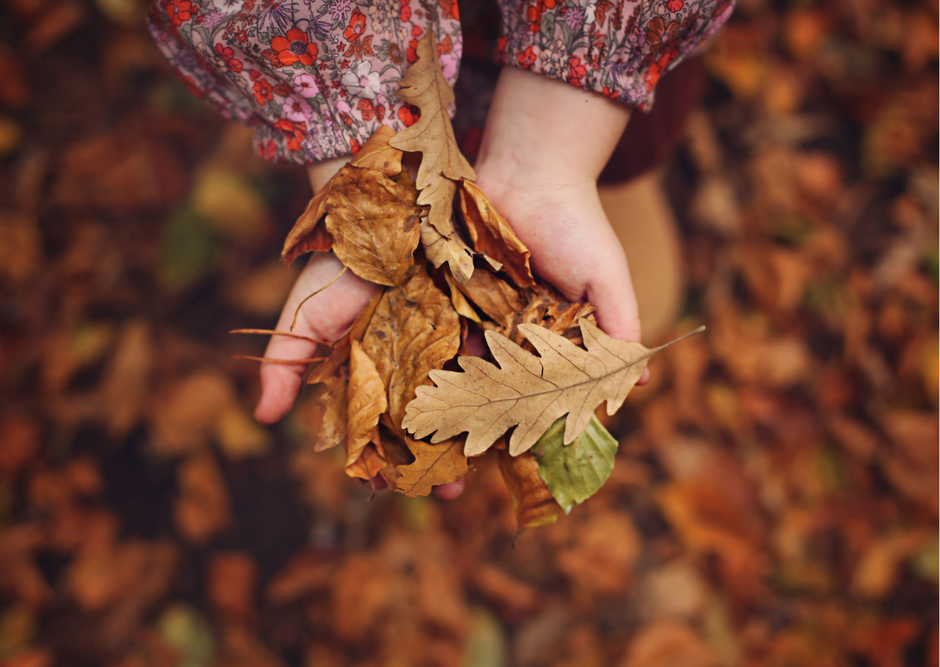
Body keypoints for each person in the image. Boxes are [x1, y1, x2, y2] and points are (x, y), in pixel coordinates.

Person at [148, 0, 735, 497]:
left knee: (639, 262)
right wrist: (367, 179)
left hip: (582, 105)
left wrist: (555, 150)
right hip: (366, 85)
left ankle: (598, 179)